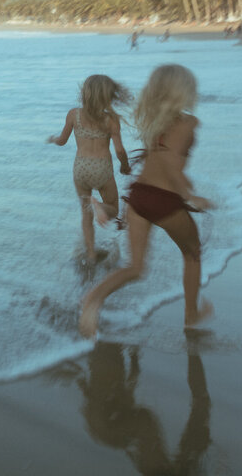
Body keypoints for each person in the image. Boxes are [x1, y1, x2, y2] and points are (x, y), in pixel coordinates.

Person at [79, 64, 214, 338]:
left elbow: (159, 162)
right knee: (192, 253)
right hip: (165, 200)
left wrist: (183, 184)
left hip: (139, 197)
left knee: (136, 267)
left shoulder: (156, 123)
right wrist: (190, 196)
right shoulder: (188, 123)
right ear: (183, 91)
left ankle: (93, 299)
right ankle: (191, 315)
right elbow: (170, 162)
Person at [48, 75, 132, 263]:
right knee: (113, 209)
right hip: (102, 168)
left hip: (80, 168)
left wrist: (53, 139)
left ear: (84, 93)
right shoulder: (111, 120)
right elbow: (119, 150)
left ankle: (91, 255)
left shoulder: (73, 115)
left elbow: (62, 141)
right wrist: (125, 166)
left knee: (85, 215)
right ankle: (99, 206)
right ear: (108, 97)